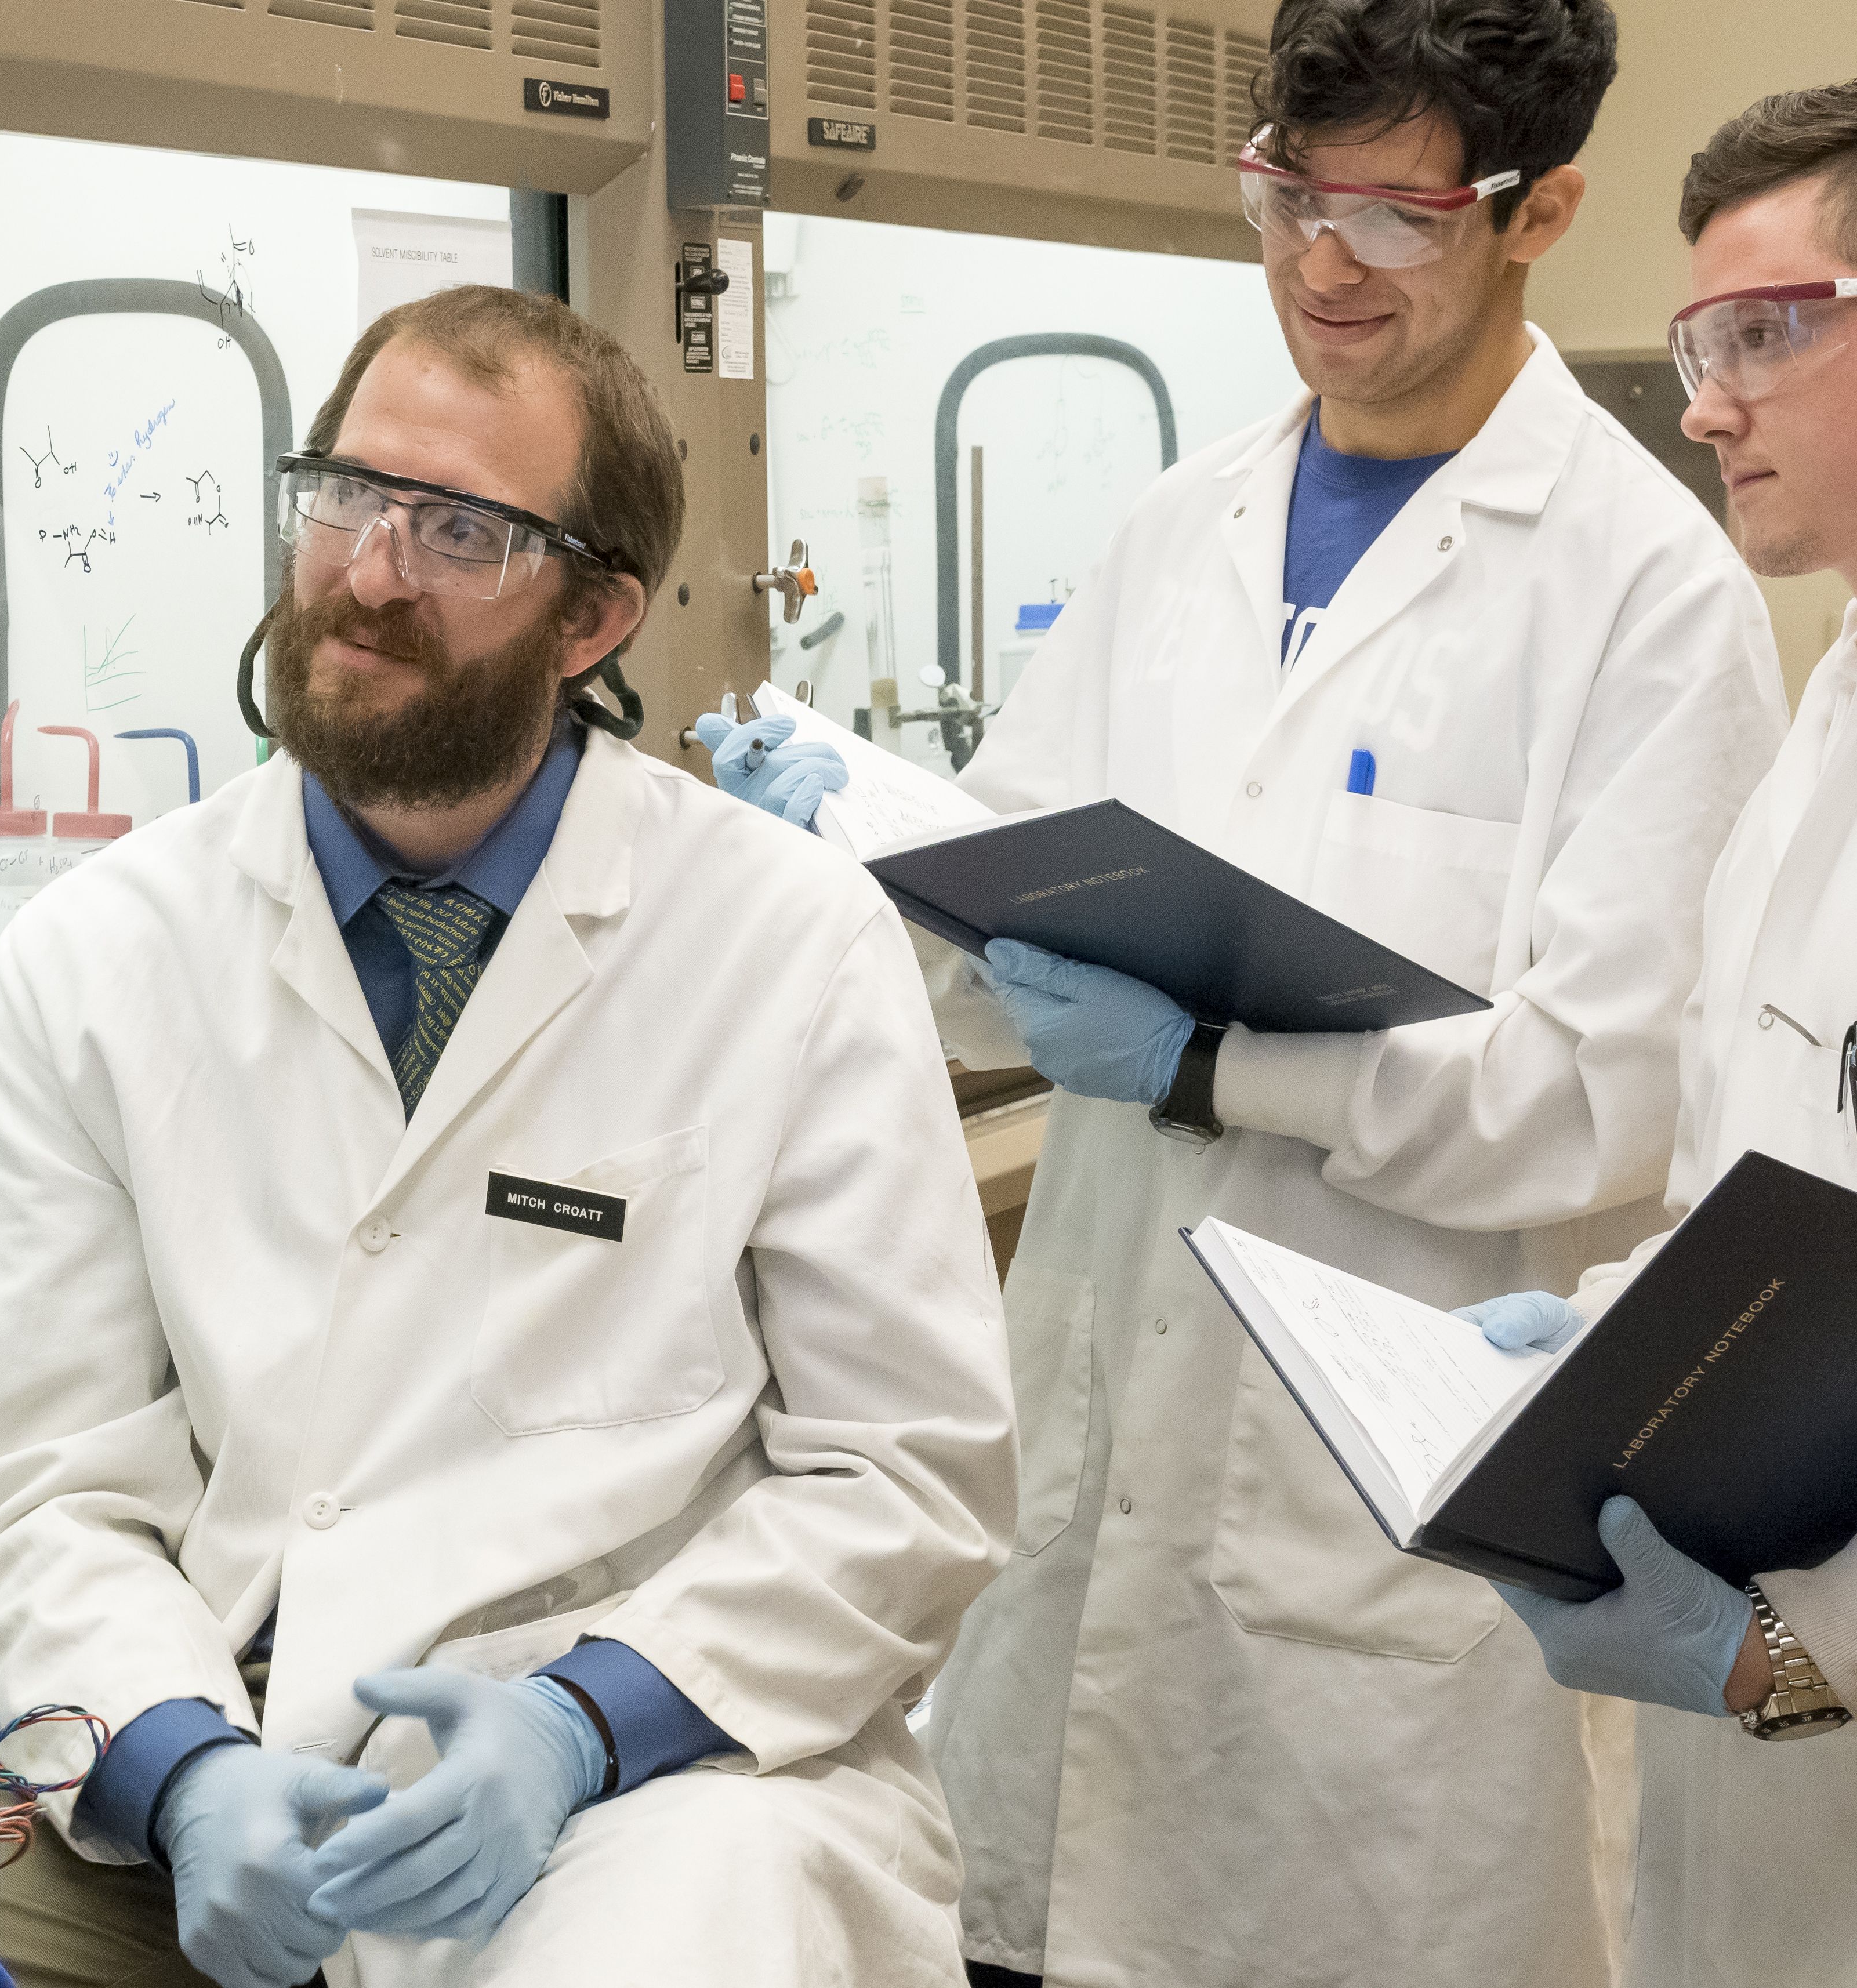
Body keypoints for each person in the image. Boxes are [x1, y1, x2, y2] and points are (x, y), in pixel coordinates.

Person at [706, 2, 1788, 1983]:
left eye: (1390, 215)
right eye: (1287, 195)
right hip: (1090, 1478)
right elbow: (1002, 946)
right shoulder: (1168, 528)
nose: (1316, 267)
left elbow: (1602, 1096)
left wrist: (1215, 1065)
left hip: (1382, 1588)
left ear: (1538, 207)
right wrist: (851, 855)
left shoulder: (1649, 595)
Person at [0, 284, 1018, 1988]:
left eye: (457, 530)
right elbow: (42, 1493)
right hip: (239, 1756)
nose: (367, 570)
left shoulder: (784, 938)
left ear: (591, 614)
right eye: (348, 496)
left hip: (672, 1778)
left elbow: (906, 1472)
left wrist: (581, 1723)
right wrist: (181, 1767)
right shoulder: (100, 951)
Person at [1456, 80, 1857, 1988]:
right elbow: (1761, 1184)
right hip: (1758, 1818)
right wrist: (1617, 1320)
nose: (1702, 403)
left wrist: (1790, 1665)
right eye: (1700, 343)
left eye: (1765, 332)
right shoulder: (1826, 720)